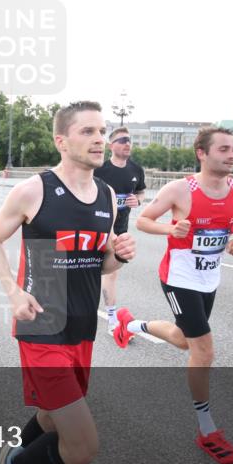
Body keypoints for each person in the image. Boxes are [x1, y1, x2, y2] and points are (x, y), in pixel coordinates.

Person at [0, 101, 136, 464]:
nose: (100, 139)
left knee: (50, 417)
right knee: (83, 447)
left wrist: (119, 256)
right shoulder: (35, 189)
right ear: (61, 140)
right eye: (87, 131)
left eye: (102, 131)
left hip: (82, 325)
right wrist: (13, 292)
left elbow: (99, 264)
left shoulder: (107, 195)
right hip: (42, 324)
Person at [113, 126, 233, 464]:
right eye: (223, 149)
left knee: (181, 340)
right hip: (179, 278)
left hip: (209, 279)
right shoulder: (181, 189)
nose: (231, 155)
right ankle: (208, 431)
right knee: (203, 349)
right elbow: (144, 220)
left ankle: (129, 325)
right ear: (202, 153)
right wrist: (169, 228)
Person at [94, 127, 146, 338]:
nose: (127, 143)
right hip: (95, 228)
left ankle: (112, 318)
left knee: (112, 273)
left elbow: (141, 191)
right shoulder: (100, 170)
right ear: (110, 145)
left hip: (119, 231)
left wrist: (138, 199)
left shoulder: (136, 170)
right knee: (83, 272)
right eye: (122, 140)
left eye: (129, 140)